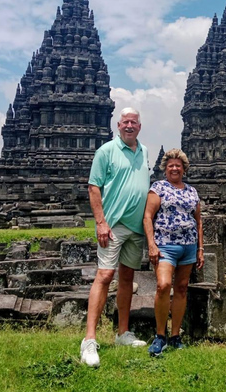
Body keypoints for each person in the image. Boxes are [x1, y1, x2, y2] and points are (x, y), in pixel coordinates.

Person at [80, 107, 150, 368]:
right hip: (112, 225)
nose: (129, 126)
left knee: (128, 278)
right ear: (118, 125)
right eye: (125, 122)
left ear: (139, 127)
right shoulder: (106, 151)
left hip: (136, 228)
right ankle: (89, 340)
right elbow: (93, 186)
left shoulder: (144, 153)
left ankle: (122, 333)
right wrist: (100, 222)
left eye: (134, 122)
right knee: (105, 275)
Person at [142, 148, 203, 357]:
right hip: (165, 245)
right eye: (171, 166)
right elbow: (147, 217)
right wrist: (151, 244)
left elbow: (198, 221)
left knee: (182, 288)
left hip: (188, 246)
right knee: (163, 285)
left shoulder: (192, 191)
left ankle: (175, 336)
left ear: (184, 169)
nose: (174, 168)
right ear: (165, 169)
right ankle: (160, 335)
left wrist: (200, 249)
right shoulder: (158, 188)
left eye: (178, 165)